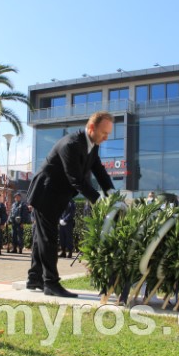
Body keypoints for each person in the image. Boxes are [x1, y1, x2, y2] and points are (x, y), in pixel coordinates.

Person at [26, 111, 115, 298]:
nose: (106, 138)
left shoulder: (92, 145)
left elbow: (99, 170)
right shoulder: (71, 144)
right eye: (104, 133)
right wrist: (99, 201)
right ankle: (50, 283)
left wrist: (112, 193)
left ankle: (35, 278)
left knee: (41, 237)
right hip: (45, 193)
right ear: (92, 128)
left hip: (56, 195)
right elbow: (76, 179)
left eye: (108, 134)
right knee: (48, 238)